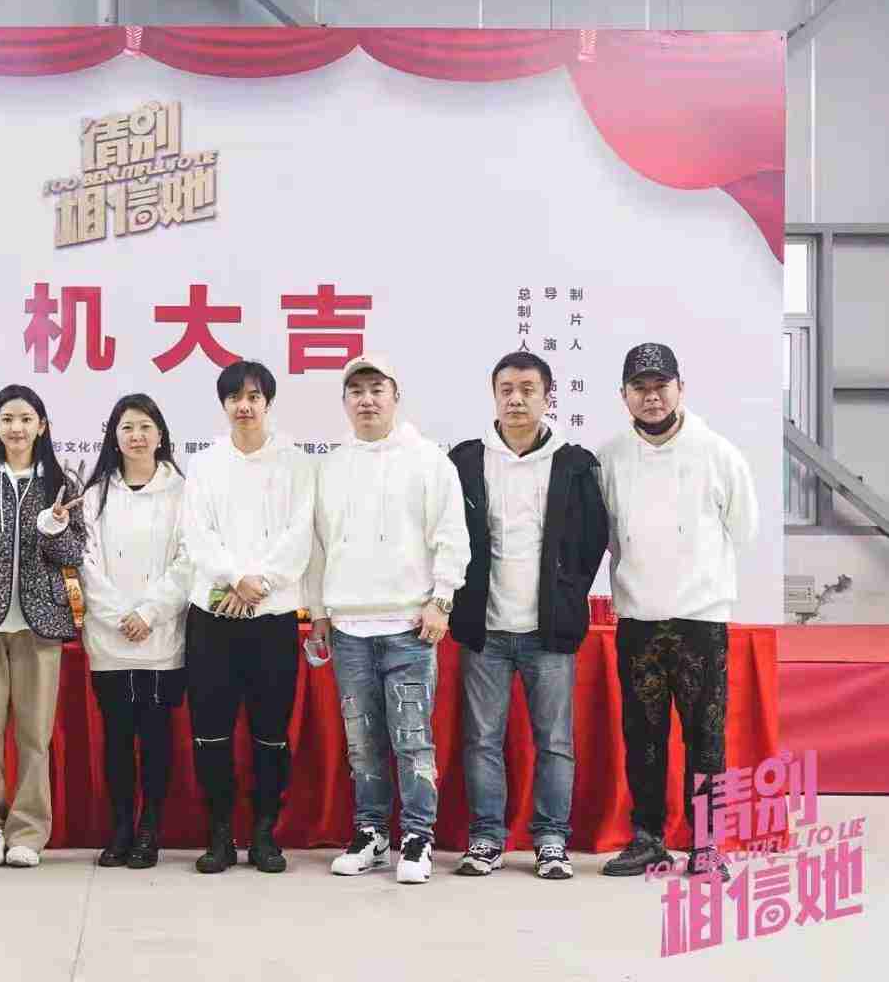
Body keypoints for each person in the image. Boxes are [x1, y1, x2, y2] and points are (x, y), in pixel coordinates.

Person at [598, 343, 757, 881]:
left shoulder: (718, 453)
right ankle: (648, 839)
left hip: (700, 619)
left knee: (705, 736)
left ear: (680, 389)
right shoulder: (610, 457)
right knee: (642, 738)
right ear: (624, 395)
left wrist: (703, 578)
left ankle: (707, 844)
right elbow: (605, 534)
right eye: (639, 387)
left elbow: (744, 528)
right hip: (638, 618)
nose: (652, 397)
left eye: (661, 386)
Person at [447, 351, 609, 881]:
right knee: (481, 741)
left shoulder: (574, 462)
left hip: (549, 632)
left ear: (547, 396)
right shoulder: (466, 460)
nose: (516, 399)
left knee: (555, 742)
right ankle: (487, 837)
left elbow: (592, 539)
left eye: (528, 389)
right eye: (506, 390)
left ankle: (551, 839)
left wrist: (566, 596)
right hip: (485, 630)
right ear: (494, 396)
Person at [311, 354, 467, 885]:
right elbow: (319, 546)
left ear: (396, 397)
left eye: (377, 389)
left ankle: (418, 836)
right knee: (362, 743)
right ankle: (372, 833)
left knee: (412, 740)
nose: (367, 400)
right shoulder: (331, 466)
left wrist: (441, 599)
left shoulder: (428, 461)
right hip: (350, 629)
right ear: (345, 402)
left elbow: (452, 535)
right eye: (356, 391)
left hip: (409, 628)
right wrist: (319, 612)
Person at [182, 360, 314, 875]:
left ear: (268, 403)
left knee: (270, 732)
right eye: (235, 397)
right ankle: (219, 834)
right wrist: (235, 577)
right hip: (213, 615)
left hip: (272, 616)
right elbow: (197, 533)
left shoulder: (296, 463)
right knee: (211, 731)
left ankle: (264, 834)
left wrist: (258, 583)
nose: (244, 406)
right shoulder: (204, 463)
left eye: (254, 397)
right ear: (223, 405)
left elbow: (299, 534)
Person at [0, 384, 86, 869]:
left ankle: (27, 831)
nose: (17, 428)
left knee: (34, 734)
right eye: (7, 419)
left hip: (41, 621)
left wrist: (54, 530)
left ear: (41, 426)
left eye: (26, 419)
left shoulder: (62, 483)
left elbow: (75, 554)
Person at [79, 394, 192, 870]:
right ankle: (122, 826)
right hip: (110, 641)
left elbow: (188, 561)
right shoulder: (95, 495)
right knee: (117, 738)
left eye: (145, 426)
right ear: (114, 436)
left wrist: (148, 613)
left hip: (161, 640)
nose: (137, 436)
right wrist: (120, 614)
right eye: (127, 427)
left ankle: (151, 828)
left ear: (160, 434)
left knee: (156, 737)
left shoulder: (183, 492)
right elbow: (85, 563)